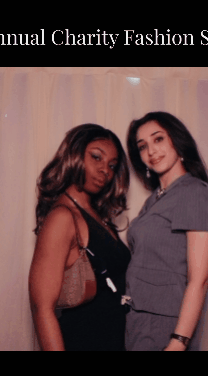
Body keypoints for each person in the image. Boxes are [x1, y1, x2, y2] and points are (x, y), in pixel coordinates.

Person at [124, 112, 208, 351]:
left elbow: (199, 279)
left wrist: (178, 342)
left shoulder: (194, 192)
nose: (151, 151)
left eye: (158, 139)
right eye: (142, 146)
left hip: (165, 326)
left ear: (177, 141)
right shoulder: (154, 200)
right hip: (136, 320)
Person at [29, 124, 131, 351]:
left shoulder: (96, 215)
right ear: (74, 154)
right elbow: (41, 308)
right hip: (83, 343)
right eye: (96, 157)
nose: (105, 170)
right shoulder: (62, 217)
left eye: (112, 165)